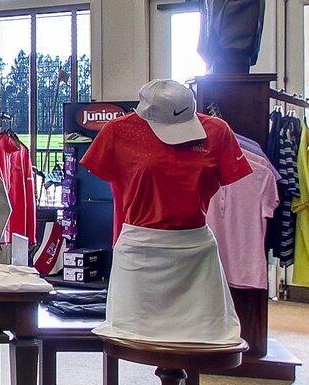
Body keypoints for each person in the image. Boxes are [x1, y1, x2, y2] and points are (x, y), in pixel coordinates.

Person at [80, 79, 250, 350]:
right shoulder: (117, 132)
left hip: (196, 254)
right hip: (140, 251)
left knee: (203, 342)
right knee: (131, 340)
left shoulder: (217, 132)